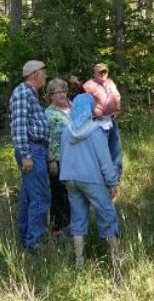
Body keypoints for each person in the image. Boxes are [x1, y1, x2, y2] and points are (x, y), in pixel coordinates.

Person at [60, 93, 120, 270]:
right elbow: (105, 160)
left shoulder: (66, 130)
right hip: (91, 179)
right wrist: (112, 182)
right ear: (88, 109)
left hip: (70, 179)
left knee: (77, 217)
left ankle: (79, 261)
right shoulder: (95, 130)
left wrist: (65, 177)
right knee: (106, 214)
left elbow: (62, 156)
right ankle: (116, 259)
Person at [9, 60, 50, 251]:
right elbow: (18, 126)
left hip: (37, 149)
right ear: (35, 74)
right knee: (40, 196)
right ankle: (34, 242)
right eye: (44, 72)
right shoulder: (23, 92)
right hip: (31, 151)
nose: (46, 75)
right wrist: (26, 155)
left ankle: (26, 239)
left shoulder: (31, 94)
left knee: (28, 197)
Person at [83, 63, 123, 179]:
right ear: (94, 73)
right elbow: (83, 103)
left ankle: (116, 176)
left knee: (115, 148)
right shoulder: (87, 86)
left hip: (112, 120)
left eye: (105, 71)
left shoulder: (110, 82)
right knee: (101, 150)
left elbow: (117, 97)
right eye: (100, 72)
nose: (103, 74)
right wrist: (94, 110)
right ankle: (103, 176)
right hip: (98, 122)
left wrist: (118, 109)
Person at [45, 78, 71, 241]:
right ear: (50, 96)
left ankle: (73, 226)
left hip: (75, 159)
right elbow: (44, 139)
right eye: (57, 92)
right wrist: (51, 160)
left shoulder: (73, 108)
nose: (62, 94)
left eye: (64, 90)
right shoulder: (48, 114)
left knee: (73, 194)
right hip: (58, 160)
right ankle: (58, 230)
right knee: (59, 194)